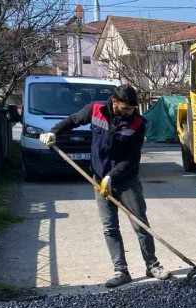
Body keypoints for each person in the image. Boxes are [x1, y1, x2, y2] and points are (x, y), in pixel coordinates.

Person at [39, 84, 172, 288]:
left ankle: (152, 264)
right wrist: (54, 132)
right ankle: (121, 271)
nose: (129, 112)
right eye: (126, 108)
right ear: (115, 101)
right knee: (110, 227)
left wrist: (111, 176)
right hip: (98, 179)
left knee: (140, 224)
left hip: (125, 180)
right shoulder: (95, 110)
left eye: (132, 109)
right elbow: (73, 120)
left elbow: (132, 159)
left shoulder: (137, 123)